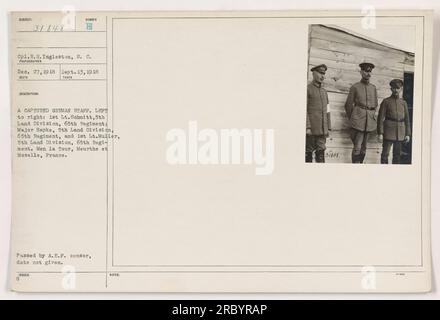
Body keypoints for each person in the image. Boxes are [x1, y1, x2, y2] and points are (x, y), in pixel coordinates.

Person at [344, 62, 379, 164]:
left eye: (370, 71)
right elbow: (348, 105)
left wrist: (371, 116)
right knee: (357, 147)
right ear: (361, 72)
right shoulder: (355, 87)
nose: (368, 74)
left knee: (364, 147)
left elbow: (375, 104)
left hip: (369, 123)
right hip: (358, 122)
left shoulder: (373, 88)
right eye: (366, 71)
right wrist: (354, 118)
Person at [377, 79, 411, 164]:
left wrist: (407, 134)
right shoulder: (386, 101)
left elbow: (407, 119)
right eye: (394, 88)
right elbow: (380, 118)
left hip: (400, 133)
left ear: (401, 89)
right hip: (388, 132)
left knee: (397, 156)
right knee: (385, 154)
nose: (396, 90)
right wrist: (380, 133)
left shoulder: (403, 103)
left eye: (398, 88)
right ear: (391, 89)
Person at [305, 64, 331, 163]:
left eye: (324, 73)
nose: (322, 76)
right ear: (313, 73)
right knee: (308, 154)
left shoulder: (324, 92)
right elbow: (304, 109)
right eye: (320, 73)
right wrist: (307, 127)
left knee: (321, 153)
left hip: (322, 130)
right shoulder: (308, 89)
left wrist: (328, 126)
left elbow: (328, 110)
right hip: (311, 130)